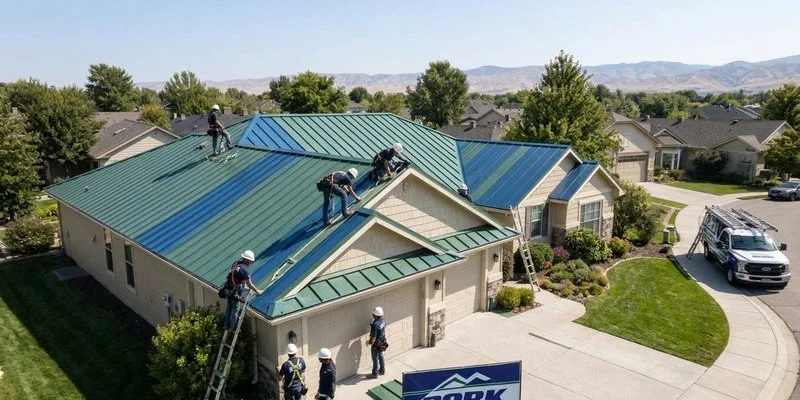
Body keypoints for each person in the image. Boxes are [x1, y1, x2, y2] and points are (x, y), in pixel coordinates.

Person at [223, 250, 264, 331]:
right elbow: (249, 284)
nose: (250, 263)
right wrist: (257, 291)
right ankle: (232, 327)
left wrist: (241, 282)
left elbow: (234, 276)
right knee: (235, 309)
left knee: (229, 308)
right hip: (234, 291)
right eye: (250, 261)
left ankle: (225, 325)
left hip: (227, 288)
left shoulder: (236, 264)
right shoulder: (244, 271)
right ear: (247, 260)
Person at [368, 306, 387, 378]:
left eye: (373, 314)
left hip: (376, 344)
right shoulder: (383, 321)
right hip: (382, 341)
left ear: (375, 315)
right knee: (381, 356)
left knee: (375, 358)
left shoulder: (375, 325)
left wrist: (371, 344)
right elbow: (383, 328)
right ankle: (382, 370)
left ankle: (374, 374)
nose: (372, 315)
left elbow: (374, 337)